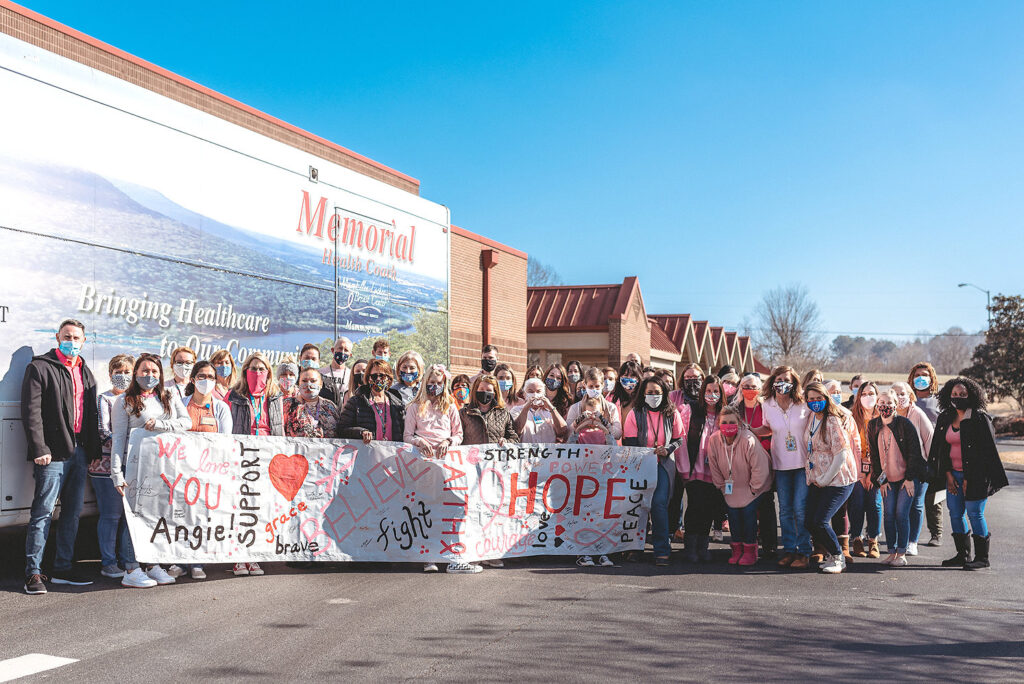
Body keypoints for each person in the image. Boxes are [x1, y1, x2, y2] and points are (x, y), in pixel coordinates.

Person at [22, 319, 101, 593]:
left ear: (84, 341)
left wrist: (92, 450)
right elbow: (31, 413)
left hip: (79, 453)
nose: (72, 341)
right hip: (52, 454)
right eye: (67, 336)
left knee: (72, 513)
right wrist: (39, 448)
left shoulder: (86, 372)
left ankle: (63, 568)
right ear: (57, 337)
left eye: (77, 337)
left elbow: (90, 415)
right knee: (43, 512)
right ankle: (33, 573)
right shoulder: (40, 367)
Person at [109, 353, 191, 586]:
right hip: (136, 468)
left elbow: (186, 423)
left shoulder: (168, 395)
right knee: (133, 518)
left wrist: (161, 424)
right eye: (145, 371)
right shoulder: (124, 401)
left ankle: (151, 563)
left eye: (154, 372)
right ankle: (131, 569)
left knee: (156, 518)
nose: (150, 375)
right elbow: (118, 440)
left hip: (163, 467)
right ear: (136, 373)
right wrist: (117, 473)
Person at [928, 377, 1008, 570]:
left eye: (962, 394)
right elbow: (941, 449)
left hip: (977, 477)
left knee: (975, 514)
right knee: (955, 514)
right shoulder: (945, 417)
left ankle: (982, 558)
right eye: (954, 394)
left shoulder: (980, 419)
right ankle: (962, 555)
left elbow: (987, 454)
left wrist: (970, 480)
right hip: (952, 475)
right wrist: (947, 475)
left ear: (971, 395)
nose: (958, 397)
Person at [94, 354, 154, 587]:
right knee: (111, 516)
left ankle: (124, 558)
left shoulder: (136, 400)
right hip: (106, 466)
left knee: (129, 518)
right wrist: (131, 442)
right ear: (110, 374)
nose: (123, 376)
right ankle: (108, 562)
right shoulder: (105, 399)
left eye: (128, 372)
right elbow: (104, 431)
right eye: (118, 372)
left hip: (134, 465)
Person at [403, 364, 464, 573]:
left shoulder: (450, 407)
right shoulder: (414, 407)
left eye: (438, 383)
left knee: (446, 508)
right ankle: (428, 555)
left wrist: (449, 441)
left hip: (446, 464)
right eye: (431, 383)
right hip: (422, 465)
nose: (434, 387)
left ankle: (447, 552)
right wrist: (419, 442)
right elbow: (407, 436)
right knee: (425, 508)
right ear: (424, 383)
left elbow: (459, 435)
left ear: (444, 384)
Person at [179, 360, 234, 580]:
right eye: (202, 376)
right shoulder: (181, 404)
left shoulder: (221, 408)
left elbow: (225, 441)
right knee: (181, 517)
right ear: (193, 379)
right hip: (181, 470)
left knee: (201, 517)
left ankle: (197, 562)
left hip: (207, 471)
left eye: (211, 377)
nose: (206, 381)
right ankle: (179, 562)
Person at [622, 376, 685, 567]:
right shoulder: (635, 413)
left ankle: (661, 550)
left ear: (664, 393)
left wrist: (668, 449)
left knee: (658, 504)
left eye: (657, 392)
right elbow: (630, 442)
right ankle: (635, 548)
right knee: (638, 506)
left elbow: (678, 438)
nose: (653, 396)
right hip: (640, 465)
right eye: (649, 392)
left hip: (663, 464)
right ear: (643, 394)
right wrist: (645, 453)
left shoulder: (672, 413)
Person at [754, 366, 812, 569]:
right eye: (778, 379)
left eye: (786, 379)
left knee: (800, 509)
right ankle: (789, 549)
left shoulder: (803, 403)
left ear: (794, 382)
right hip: (780, 464)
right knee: (785, 510)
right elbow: (767, 428)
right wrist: (750, 431)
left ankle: (804, 551)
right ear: (772, 381)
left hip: (803, 463)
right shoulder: (767, 404)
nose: (782, 383)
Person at [802, 382, 858, 573]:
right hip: (817, 478)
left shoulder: (832, 420)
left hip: (838, 479)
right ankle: (830, 555)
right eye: (811, 399)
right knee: (809, 520)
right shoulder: (812, 418)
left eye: (819, 398)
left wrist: (826, 478)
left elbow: (841, 454)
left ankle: (838, 557)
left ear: (826, 399)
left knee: (820, 520)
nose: (815, 402)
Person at [868, 389, 927, 567]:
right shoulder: (873, 425)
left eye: (888, 403)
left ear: (895, 405)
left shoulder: (904, 424)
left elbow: (914, 453)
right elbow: (874, 457)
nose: (884, 406)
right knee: (889, 515)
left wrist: (910, 478)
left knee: (901, 514)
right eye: (881, 403)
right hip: (887, 479)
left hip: (906, 478)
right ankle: (891, 552)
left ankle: (902, 552)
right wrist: (880, 481)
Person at [707, 405, 771, 567]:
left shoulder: (748, 439)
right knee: (733, 516)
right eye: (724, 422)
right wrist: (721, 486)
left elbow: (760, 468)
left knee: (748, 514)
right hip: (731, 487)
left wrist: (753, 489)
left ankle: (750, 550)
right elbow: (713, 465)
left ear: (739, 423)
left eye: (732, 422)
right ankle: (736, 549)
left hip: (753, 487)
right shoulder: (714, 440)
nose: (728, 425)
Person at [676, 375, 725, 562]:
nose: (712, 395)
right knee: (695, 506)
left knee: (710, 508)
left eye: (716, 391)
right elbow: (681, 438)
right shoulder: (691, 411)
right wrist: (684, 468)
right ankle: (691, 546)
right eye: (708, 391)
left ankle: (703, 546)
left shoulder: (725, 414)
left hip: (715, 471)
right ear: (702, 391)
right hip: (694, 468)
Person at [736, 372, 778, 559]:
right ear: (740, 388)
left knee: (766, 502)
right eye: (746, 386)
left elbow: (773, 430)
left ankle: (769, 544)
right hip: (741, 460)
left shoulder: (767, 407)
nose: (750, 390)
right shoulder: (734, 408)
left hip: (765, 459)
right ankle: (747, 543)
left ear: (760, 389)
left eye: (754, 387)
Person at [892, 381, 935, 556]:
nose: (899, 397)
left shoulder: (917, 414)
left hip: (918, 468)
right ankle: (898, 540)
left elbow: (929, 440)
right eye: (895, 394)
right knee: (897, 507)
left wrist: (928, 467)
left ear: (910, 396)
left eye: (902, 393)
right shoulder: (888, 415)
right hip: (896, 468)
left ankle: (912, 542)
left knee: (915, 505)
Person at [909, 361, 944, 547]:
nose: (920, 378)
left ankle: (936, 533)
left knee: (934, 497)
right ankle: (908, 534)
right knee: (910, 498)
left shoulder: (939, 401)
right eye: (917, 375)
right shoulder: (908, 399)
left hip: (935, 455)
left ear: (931, 378)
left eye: (925, 375)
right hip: (911, 456)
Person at [847, 381, 882, 558]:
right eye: (864, 393)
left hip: (878, 471)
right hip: (856, 469)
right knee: (857, 503)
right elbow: (850, 448)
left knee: (875, 504)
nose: (868, 397)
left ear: (877, 396)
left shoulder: (883, 418)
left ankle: (873, 539)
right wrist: (861, 475)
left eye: (872, 393)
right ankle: (856, 539)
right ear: (858, 397)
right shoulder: (852, 418)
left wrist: (871, 475)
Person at [337, 359, 406, 444]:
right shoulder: (356, 402)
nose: (378, 379)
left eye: (382, 376)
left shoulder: (398, 404)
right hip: (367, 453)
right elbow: (341, 430)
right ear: (368, 378)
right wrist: (361, 432)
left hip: (391, 454)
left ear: (389, 378)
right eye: (374, 376)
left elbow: (404, 433)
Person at [229, 352, 285, 438]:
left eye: (261, 369)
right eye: (253, 369)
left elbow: (280, 427)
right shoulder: (233, 396)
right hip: (242, 446)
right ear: (246, 371)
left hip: (269, 447)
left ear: (268, 373)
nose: (257, 373)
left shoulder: (276, 396)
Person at [565, 367, 623, 443]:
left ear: (603, 385)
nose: (594, 389)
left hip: (604, 450)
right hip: (581, 449)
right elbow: (567, 433)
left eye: (597, 386)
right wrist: (579, 421)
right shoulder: (575, 408)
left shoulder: (611, 408)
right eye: (591, 386)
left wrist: (603, 422)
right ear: (585, 385)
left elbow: (618, 434)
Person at [460, 374, 520, 446]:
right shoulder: (464, 413)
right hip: (472, 456)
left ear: (494, 393)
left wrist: (506, 441)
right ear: (476, 390)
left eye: (489, 390)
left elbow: (514, 438)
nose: (485, 392)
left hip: (494, 456)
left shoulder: (504, 413)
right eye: (481, 389)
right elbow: (457, 436)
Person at [284, 367, 341, 438]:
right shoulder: (288, 405)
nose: (308, 384)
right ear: (299, 384)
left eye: (313, 381)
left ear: (320, 384)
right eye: (304, 381)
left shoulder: (330, 406)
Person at [512, 377, 568, 444]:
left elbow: (562, 431)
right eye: (530, 391)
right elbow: (516, 430)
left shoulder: (550, 412)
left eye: (538, 391)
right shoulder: (516, 410)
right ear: (524, 394)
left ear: (543, 394)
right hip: (526, 453)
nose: (535, 394)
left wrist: (550, 407)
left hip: (547, 453)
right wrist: (526, 408)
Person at [319, 336, 353, 407]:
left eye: (346, 350)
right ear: (332, 350)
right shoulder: (320, 373)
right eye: (340, 348)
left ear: (350, 355)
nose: (342, 352)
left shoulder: (351, 375)